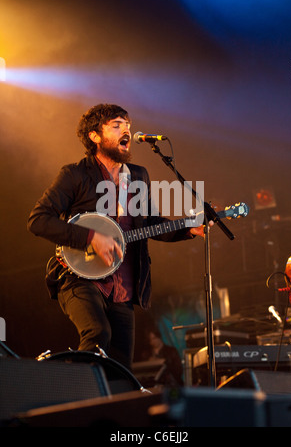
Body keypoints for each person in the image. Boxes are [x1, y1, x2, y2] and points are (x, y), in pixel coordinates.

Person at [27, 103, 206, 371]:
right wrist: (90, 238)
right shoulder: (74, 174)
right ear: (94, 136)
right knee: (98, 334)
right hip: (79, 278)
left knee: (121, 366)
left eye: (128, 126)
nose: (127, 131)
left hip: (123, 285)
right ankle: (71, 392)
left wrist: (189, 229)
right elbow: (38, 220)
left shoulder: (138, 175)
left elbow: (152, 223)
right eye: (117, 126)